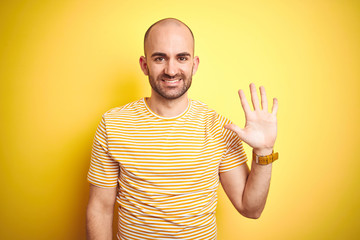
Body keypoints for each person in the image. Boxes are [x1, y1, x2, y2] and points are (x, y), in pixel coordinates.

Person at [86, 18, 279, 240]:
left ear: (194, 64)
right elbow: (99, 209)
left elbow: (251, 208)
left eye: (181, 58)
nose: (171, 70)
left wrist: (264, 151)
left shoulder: (219, 127)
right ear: (144, 64)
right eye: (160, 58)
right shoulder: (113, 124)